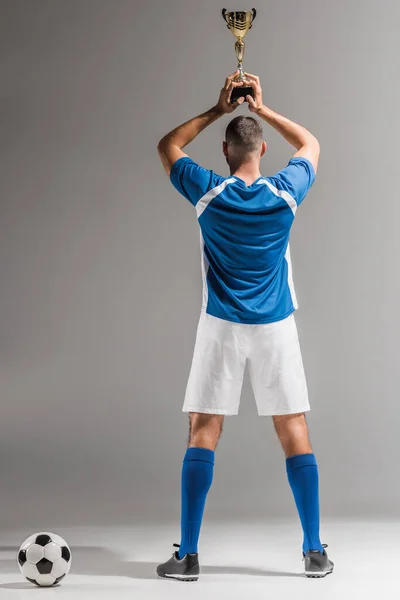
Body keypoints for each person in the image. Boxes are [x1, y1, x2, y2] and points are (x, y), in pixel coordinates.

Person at [156, 71, 334, 581]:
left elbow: (168, 144)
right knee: (293, 427)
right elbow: (311, 143)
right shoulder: (285, 193)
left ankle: (188, 556)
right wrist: (264, 108)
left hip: (222, 325)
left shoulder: (208, 192)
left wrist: (218, 108)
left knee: (204, 428)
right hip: (276, 325)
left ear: (226, 151)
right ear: (261, 151)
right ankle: (314, 550)